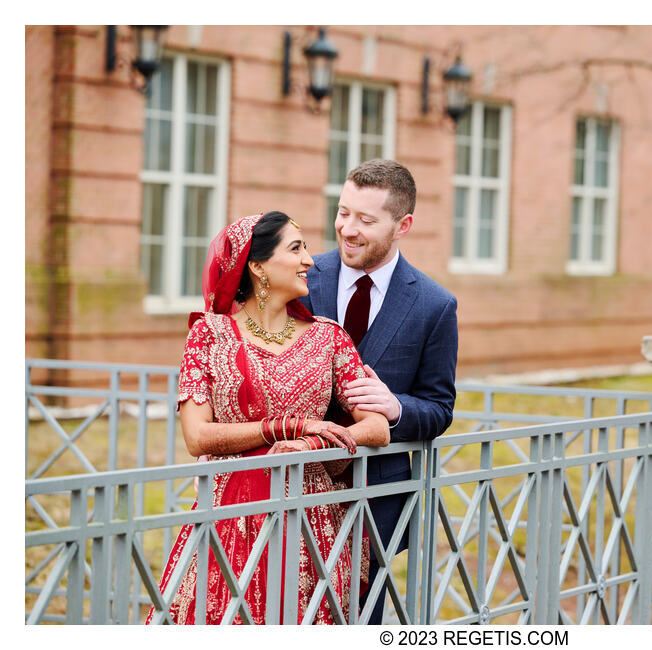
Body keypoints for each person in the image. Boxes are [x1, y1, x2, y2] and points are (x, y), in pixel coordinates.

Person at [145, 211, 390, 625]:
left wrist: (310, 443)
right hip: (228, 515)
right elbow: (196, 436)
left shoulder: (329, 336)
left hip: (311, 519)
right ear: (256, 266)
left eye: (306, 248)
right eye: (296, 248)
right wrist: (287, 425)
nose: (309, 260)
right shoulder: (209, 334)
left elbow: (377, 426)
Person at [299, 159, 458, 623]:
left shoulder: (435, 305)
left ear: (403, 225)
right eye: (342, 211)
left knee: (360, 622)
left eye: (365, 220)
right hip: (290, 488)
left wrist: (395, 407)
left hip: (375, 501)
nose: (347, 229)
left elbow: (439, 407)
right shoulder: (301, 278)